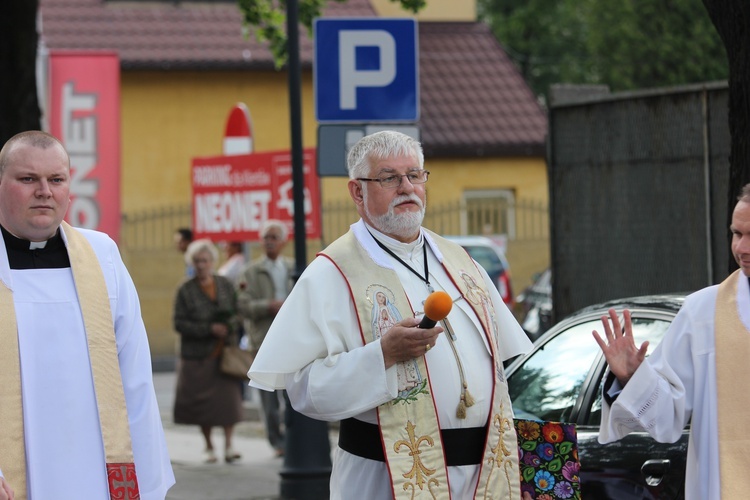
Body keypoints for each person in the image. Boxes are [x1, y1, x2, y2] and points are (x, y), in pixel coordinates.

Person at [248, 130, 532, 499]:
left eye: (414, 175)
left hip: (485, 475)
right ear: (357, 192)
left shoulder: (461, 261)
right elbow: (303, 390)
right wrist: (382, 355)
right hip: (386, 478)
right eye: (388, 177)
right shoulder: (332, 273)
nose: (406, 187)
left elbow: (500, 370)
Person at [0, 130, 174, 500]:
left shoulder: (101, 254)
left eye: (56, 179)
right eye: (28, 179)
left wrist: (146, 476)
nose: (44, 191)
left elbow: (135, 373)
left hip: (96, 470)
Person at [593, 183, 750, 499]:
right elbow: (666, 418)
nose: (742, 248)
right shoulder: (703, 313)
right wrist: (632, 377)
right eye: (737, 234)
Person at [173, 238, 244, 464]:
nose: (201, 265)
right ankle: (209, 446)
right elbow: (179, 323)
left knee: (228, 403)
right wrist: (208, 329)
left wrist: (229, 326)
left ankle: (230, 445)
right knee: (202, 405)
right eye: (197, 261)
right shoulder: (185, 289)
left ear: (212, 261)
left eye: (205, 260)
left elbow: (237, 310)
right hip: (198, 356)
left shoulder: (224, 284)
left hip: (224, 354)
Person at [236, 220, 294, 457]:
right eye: (266, 237)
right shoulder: (250, 271)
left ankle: (292, 439)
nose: (269, 242)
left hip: (291, 339)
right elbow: (242, 304)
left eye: (274, 237)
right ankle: (277, 442)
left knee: (292, 395)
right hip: (263, 340)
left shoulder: (292, 267)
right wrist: (268, 306)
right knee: (268, 398)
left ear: (283, 241)